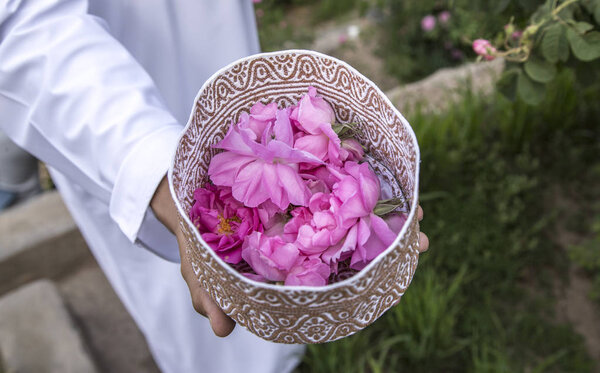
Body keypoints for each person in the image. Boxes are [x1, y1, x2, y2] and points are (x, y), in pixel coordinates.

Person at [0, 1, 429, 372]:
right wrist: (151, 167)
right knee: (190, 299)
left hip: (223, 76)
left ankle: (284, 350)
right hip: (107, 109)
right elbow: (23, 30)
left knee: (259, 287)